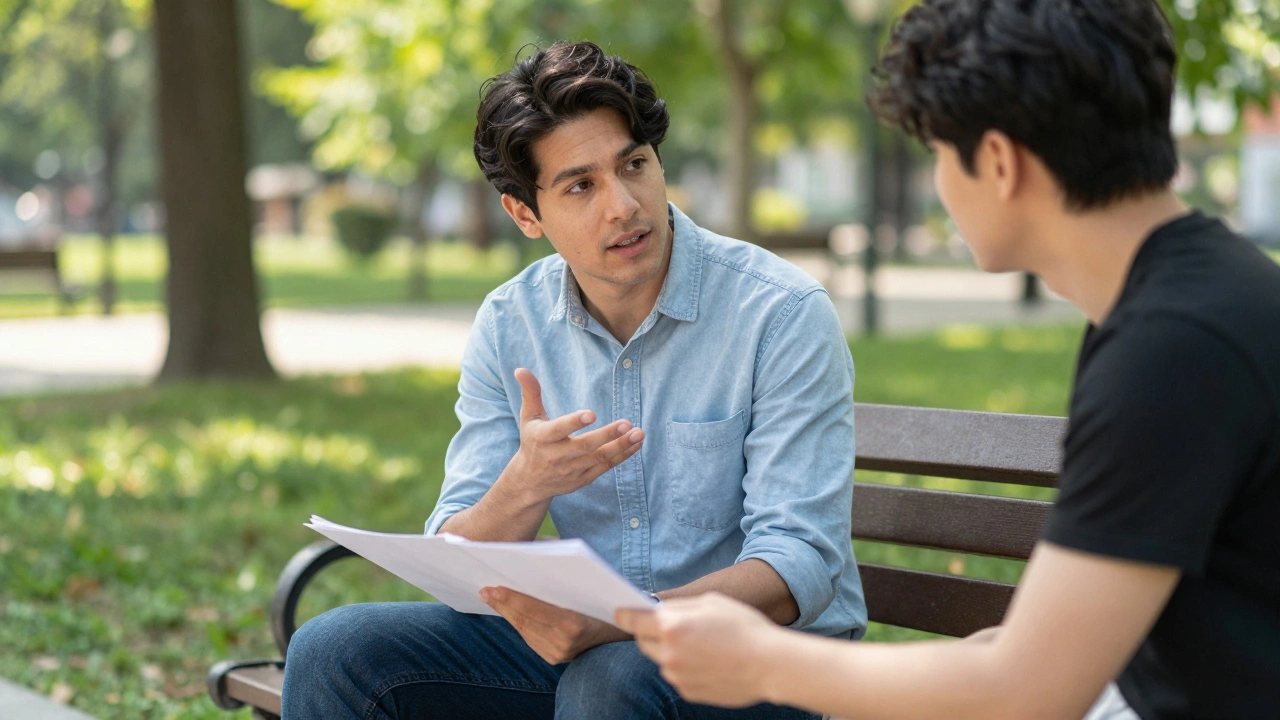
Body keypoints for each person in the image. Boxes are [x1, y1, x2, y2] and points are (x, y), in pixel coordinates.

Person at [618, 1, 1280, 719]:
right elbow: (1062, 647)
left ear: (997, 161)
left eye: (937, 154)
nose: (938, 183)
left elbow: (1030, 692)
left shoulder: (1174, 348)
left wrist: (762, 660)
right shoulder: (1196, 296)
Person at [281, 40, 866, 719]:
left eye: (635, 165)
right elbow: (458, 559)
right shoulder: (510, 324)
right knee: (334, 650)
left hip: (767, 667)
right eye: (580, 186)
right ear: (525, 215)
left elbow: (798, 564)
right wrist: (527, 481)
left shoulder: (779, 313)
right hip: (590, 651)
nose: (623, 205)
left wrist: (624, 620)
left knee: (612, 677)